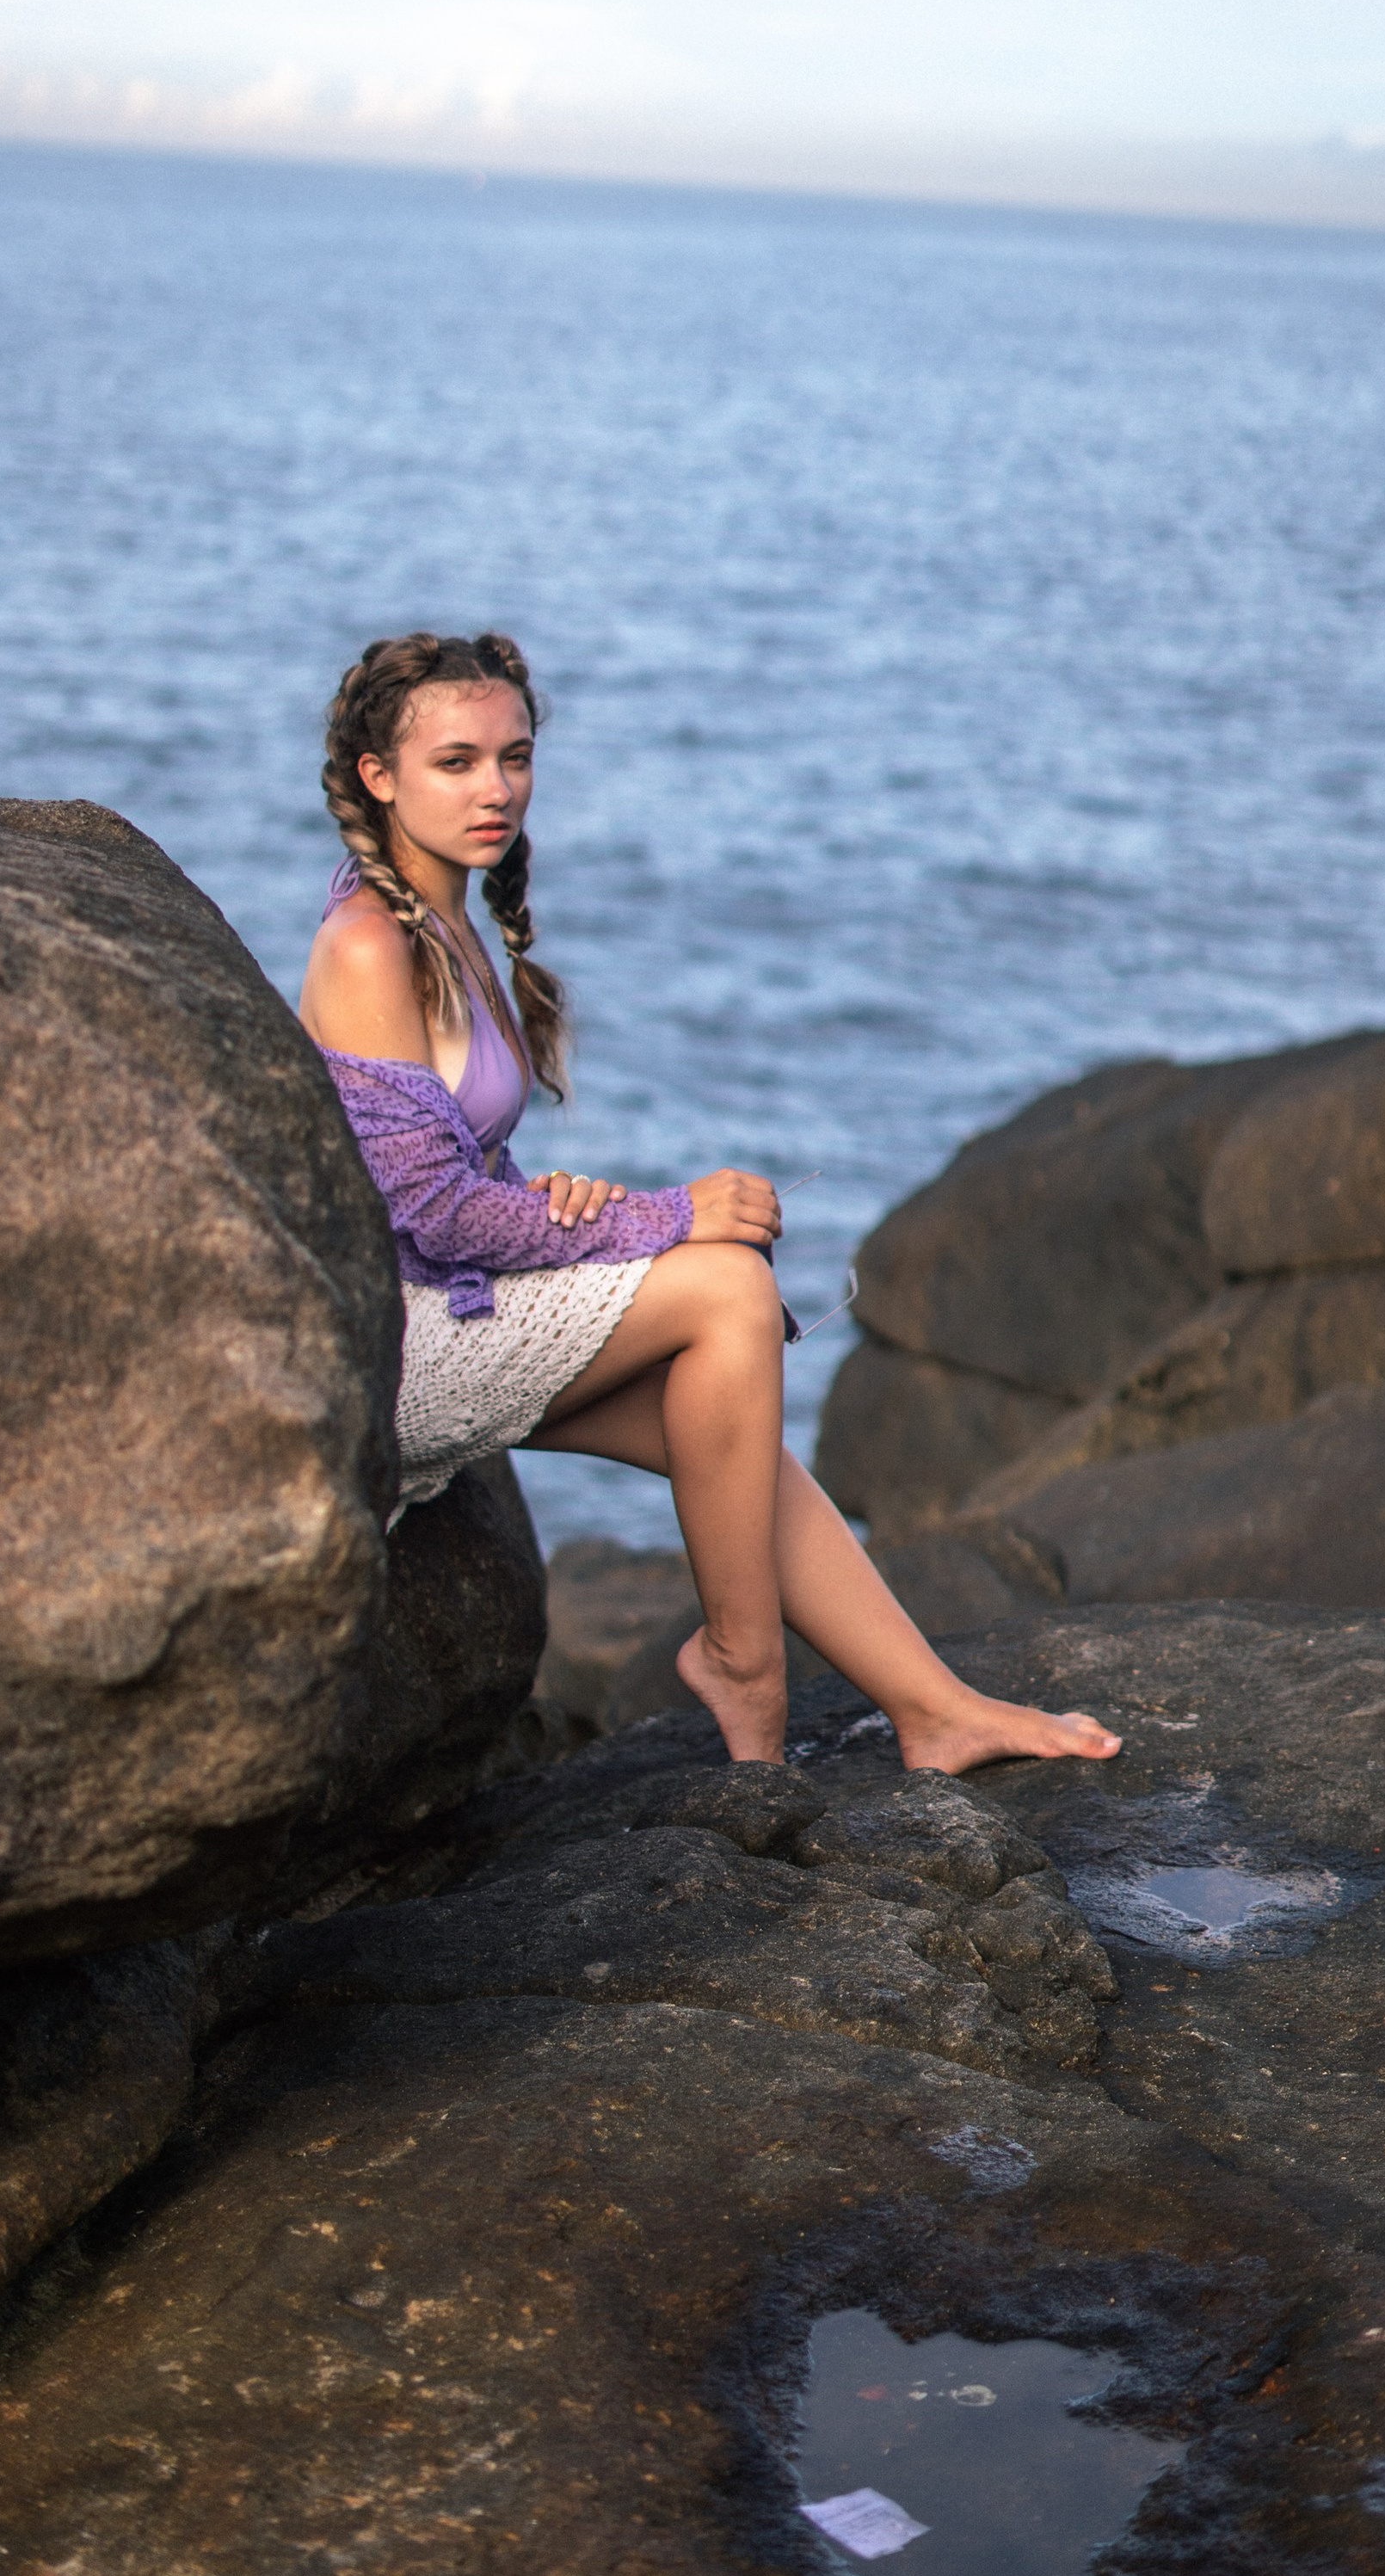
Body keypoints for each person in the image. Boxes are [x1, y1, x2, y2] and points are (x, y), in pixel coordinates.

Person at [299, 628, 1119, 1776]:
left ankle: (931, 1708)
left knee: (727, 1437)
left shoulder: (454, 926)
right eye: (457, 763)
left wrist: (553, 1204)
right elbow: (424, 1220)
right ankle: (743, 1660)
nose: (496, 790)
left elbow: (432, 1178)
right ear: (378, 777)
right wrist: (659, 1216)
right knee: (728, 1290)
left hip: (452, 1303)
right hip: (397, 1349)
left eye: (514, 756)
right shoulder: (366, 946)